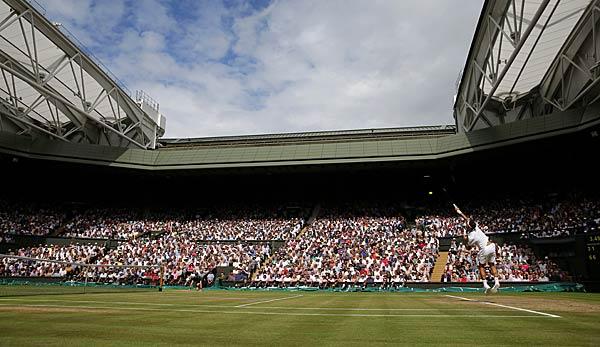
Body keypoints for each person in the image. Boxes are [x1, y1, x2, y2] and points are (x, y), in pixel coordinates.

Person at [453, 204, 500, 294]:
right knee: (491, 264)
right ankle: (497, 282)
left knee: (481, 266)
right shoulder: (476, 227)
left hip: (485, 249)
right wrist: (459, 211)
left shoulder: (471, 237)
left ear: (469, 226)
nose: (466, 224)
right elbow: (467, 219)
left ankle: (486, 285)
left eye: (467, 224)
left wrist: (465, 240)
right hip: (492, 246)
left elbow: (468, 247)